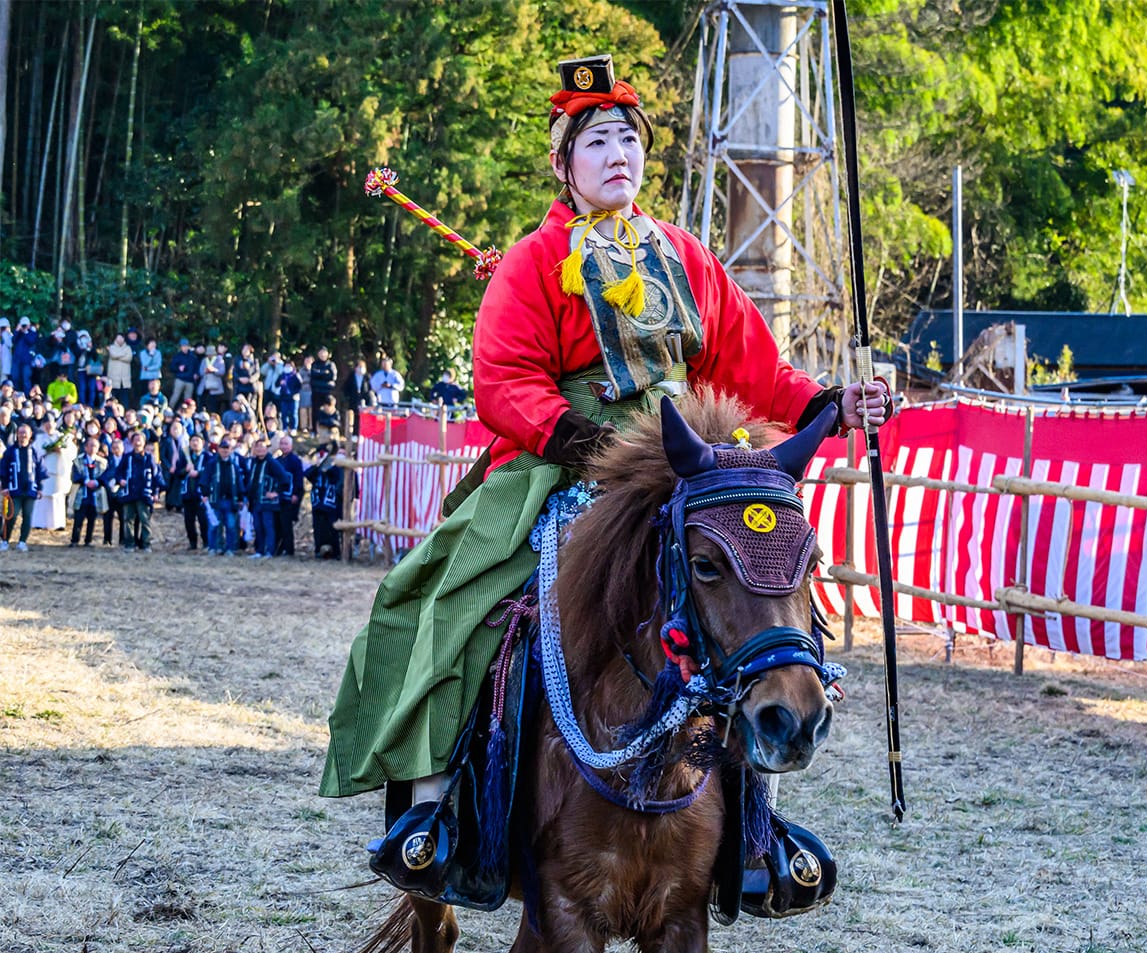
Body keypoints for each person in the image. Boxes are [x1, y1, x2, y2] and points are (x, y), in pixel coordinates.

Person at [320, 53, 893, 832]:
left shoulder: (688, 258)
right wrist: (589, 444)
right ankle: (433, 815)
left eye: (628, 139)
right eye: (596, 143)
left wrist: (834, 403)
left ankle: (759, 826)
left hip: (687, 464)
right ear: (563, 164)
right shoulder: (530, 262)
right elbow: (505, 380)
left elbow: (756, 373)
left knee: (769, 599)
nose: (618, 155)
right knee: (447, 605)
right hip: (561, 463)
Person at [106, 428, 163, 552]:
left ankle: (146, 543)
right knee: (128, 519)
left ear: (144, 442)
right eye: (135, 439)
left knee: (145, 520)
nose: (138, 442)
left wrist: (156, 492)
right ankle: (129, 543)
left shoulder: (149, 458)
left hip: (144, 493)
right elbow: (118, 472)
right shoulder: (127, 457)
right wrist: (120, 480)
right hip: (129, 493)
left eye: (140, 439)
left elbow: (156, 476)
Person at [1, 422, 46, 550]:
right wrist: (4, 487)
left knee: (28, 515)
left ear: (30, 434)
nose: (23, 435)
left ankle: (22, 541)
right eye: (20, 433)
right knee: (12, 515)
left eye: (25, 433)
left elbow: (40, 471)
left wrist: (40, 488)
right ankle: (5, 540)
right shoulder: (10, 451)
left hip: (30, 490)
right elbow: (3, 469)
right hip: (14, 490)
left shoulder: (35, 452)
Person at [244, 437, 290, 559]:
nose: (260, 449)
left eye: (262, 446)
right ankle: (259, 550)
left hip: (268, 502)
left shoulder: (272, 463)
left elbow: (285, 479)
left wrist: (276, 493)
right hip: (255, 501)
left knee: (268, 526)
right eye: (257, 446)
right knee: (258, 527)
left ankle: (270, 550)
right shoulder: (253, 463)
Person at [203, 433, 244, 556]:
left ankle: (230, 548)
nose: (225, 451)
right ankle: (213, 547)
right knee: (214, 526)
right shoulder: (212, 464)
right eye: (222, 448)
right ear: (218, 449)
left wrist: (241, 498)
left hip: (231, 501)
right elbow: (205, 480)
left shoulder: (234, 466)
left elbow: (239, 483)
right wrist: (205, 494)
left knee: (231, 526)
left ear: (231, 450)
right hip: (215, 500)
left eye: (227, 448)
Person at [306, 439, 345, 559]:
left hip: (331, 503)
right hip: (317, 502)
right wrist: (318, 464)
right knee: (318, 528)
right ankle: (319, 550)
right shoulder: (316, 469)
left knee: (332, 529)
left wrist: (328, 465)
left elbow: (336, 477)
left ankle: (336, 552)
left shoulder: (335, 468)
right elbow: (308, 474)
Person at [68, 436, 109, 546]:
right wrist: (85, 481)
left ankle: (88, 540)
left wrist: (97, 482)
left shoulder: (103, 462)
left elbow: (106, 477)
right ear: (85, 447)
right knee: (78, 519)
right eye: (90, 445)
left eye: (95, 446)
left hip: (95, 494)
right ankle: (75, 540)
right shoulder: (78, 461)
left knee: (92, 519)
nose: (92, 448)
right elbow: (74, 476)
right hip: (81, 494)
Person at [172, 433, 209, 550]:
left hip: (201, 495)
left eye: (197, 440)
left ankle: (206, 542)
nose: (195, 443)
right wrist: (185, 470)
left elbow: (211, 472)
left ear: (203, 443)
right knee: (189, 521)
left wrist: (199, 473)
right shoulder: (185, 457)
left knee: (204, 520)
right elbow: (177, 473)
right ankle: (192, 543)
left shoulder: (208, 456)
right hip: (188, 494)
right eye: (192, 440)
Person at [275, 434, 306, 556]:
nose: (283, 446)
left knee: (286, 525)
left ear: (291, 446)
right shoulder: (277, 461)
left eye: (286, 444)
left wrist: (296, 494)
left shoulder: (295, 461)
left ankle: (289, 550)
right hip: (278, 497)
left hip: (290, 498)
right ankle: (278, 548)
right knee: (277, 524)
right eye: (281, 443)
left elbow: (299, 479)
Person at [307, 347, 336, 435]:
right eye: (321, 352)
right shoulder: (314, 364)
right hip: (316, 391)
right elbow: (313, 377)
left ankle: (328, 429)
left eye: (324, 352)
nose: (323, 354)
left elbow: (332, 377)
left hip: (327, 392)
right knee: (315, 411)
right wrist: (324, 374)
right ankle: (314, 430)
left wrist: (320, 374)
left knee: (328, 410)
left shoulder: (331, 364)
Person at [105, 333, 134, 405]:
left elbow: (129, 358)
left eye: (121, 338)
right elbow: (113, 355)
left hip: (124, 378)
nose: (120, 339)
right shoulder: (112, 347)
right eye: (118, 338)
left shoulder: (128, 348)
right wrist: (123, 354)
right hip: (113, 377)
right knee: (113, 398)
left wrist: (118, 356)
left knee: (124, 398)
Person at [170, 339, 201, 406]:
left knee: (188, 400)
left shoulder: (193, 357)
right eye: (183, 346)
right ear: (180, 347)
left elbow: (197, 367)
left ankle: (187, 413)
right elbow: (172, 367)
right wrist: (178, 368)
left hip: (190, 380)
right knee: (175, 396)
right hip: (180, 379)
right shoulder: (177, 356)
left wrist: (196, 374)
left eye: (186, 346)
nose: (185, 348)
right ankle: (169, 410)